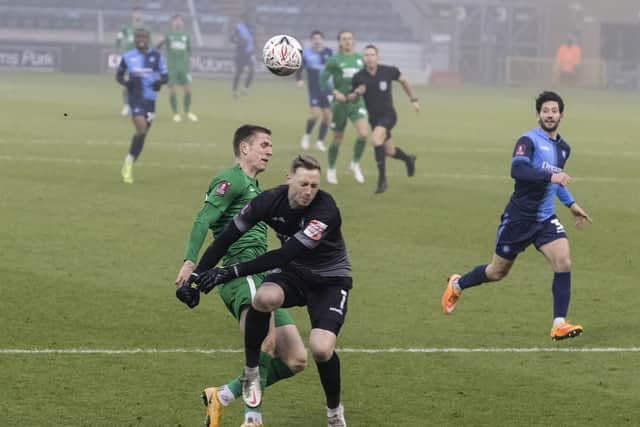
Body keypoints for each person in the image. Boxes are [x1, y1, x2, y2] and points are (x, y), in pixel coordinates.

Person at [184, 155, 351, 427]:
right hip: (295, 273)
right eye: (303, 184)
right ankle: (251, 374)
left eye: (314, 185)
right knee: (264, 298)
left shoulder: (325, 210)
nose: (308, 191)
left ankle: (334, 413)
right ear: (289, 180)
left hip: (328, 280)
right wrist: (196, 276)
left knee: (319, 350)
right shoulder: (269, 200)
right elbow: (227, 237)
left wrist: (229, 272)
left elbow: (286, 253)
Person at [175, 125, 307, 427]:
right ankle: (252, 419)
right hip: (238, 273)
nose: (270, 151)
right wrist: (190, 263)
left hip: (264, 275)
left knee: (295, 359)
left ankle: (220, 396)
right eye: (264, 145)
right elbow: (203, 220)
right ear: (244, 148)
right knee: (265, 345)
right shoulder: (230, 180)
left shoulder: (255, 189)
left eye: (271, 146)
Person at [441, 91, 592, 340]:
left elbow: (555, 182)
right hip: (519, 218)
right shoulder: (528, 140)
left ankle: (559, 323)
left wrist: (571, 204)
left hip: (544, 219)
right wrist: (550, 176)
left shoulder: (564, 149)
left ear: (561, 115)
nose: (550, 115)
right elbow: (518, 170)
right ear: (538, 115)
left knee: (563, 261)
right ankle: (457, 284)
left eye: (554, 111)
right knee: (496, 272)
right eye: (545, 111)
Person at [349, 45, 419, 194]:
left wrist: (414, 99)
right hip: (374, 119)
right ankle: (408, 159)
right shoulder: (359, 77)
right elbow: (352, 99)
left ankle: (382, 181)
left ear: (377, 57)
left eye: (372, 55)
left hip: (388, 115)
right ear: (363, 58)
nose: (369, 58)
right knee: (389, 151)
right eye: (366, 55)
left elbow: (404, 81)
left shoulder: (388, 71)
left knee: (375, 140)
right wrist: (357, 92)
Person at [116, 28, 167, 184]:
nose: (141, 39)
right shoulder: (127, 57)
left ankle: (129, 161)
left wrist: (160, 82)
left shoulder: (156, 56)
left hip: (150, 99)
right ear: (134, 39)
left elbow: (165, 75)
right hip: (135, 98)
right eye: (138, 37)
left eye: (143, 37)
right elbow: (119, 75)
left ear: (148, 39)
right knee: (141, 127)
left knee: (142, 134)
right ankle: (128, 164)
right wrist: (126, 83)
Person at [320, 31, 369, 185]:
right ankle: (331, 169)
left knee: (363, 133)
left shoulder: (360, 60)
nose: (347, 41)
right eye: (344, 39)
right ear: (339, 43)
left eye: (349, 39)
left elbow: (366, 80)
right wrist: (335, 92)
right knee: (337, 138)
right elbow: (323, 81)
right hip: (340, 105)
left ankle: (354, 164)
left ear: (353, 41)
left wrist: (362, 89)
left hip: (357, 103)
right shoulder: (334, 60)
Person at [295, 30, 333, 153]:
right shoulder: (307, 54)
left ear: (322, 40)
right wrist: (299, 79)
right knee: (316, 115)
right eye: (315, 38)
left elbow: (335, 69)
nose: (317, 40)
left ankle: (319, 142)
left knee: (327, 116)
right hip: (314, 89)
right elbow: (299, 68)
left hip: (327, 89)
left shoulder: (329, 52)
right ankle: (306, 137)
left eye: (319, 38)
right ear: (312, 40)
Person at [156, 14, 198, 123]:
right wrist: (160, 41)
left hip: (183, 68)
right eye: (176, 20)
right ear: (172, 22)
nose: (178, 22)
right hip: (172, 68)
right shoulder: (168, 35)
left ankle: (187, 112)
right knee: (173, 91)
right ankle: (175, 113)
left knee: (188, 91)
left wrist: (191, 61)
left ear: (183, 22)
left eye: (180, 20)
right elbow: (158, 47)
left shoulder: (186, 36)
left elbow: (189, 52)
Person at [115, 7, 148, 116]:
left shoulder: (145, 29)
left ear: (142, 15)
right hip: (130, 60)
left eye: (139, 13)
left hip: (142, 60)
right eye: (135, 13)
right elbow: (118, 39)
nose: (137, 15)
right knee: (128, 84)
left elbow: (150, 44)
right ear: (132, 15)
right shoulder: (126, 28)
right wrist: (117, 50)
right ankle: (126, 105)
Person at [231, 13, 255, 100]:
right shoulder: (238, 28)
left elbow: (251, 41)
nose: (247, 20)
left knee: (252, 70)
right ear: (242, 19)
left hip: (249, 53)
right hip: (241, 53)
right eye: (246, 18)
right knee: (239, 73)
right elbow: (232, 38)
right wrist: (239, 42)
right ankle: (235, 91)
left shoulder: (250, 28)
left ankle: (245, 88)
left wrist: (252, 51)